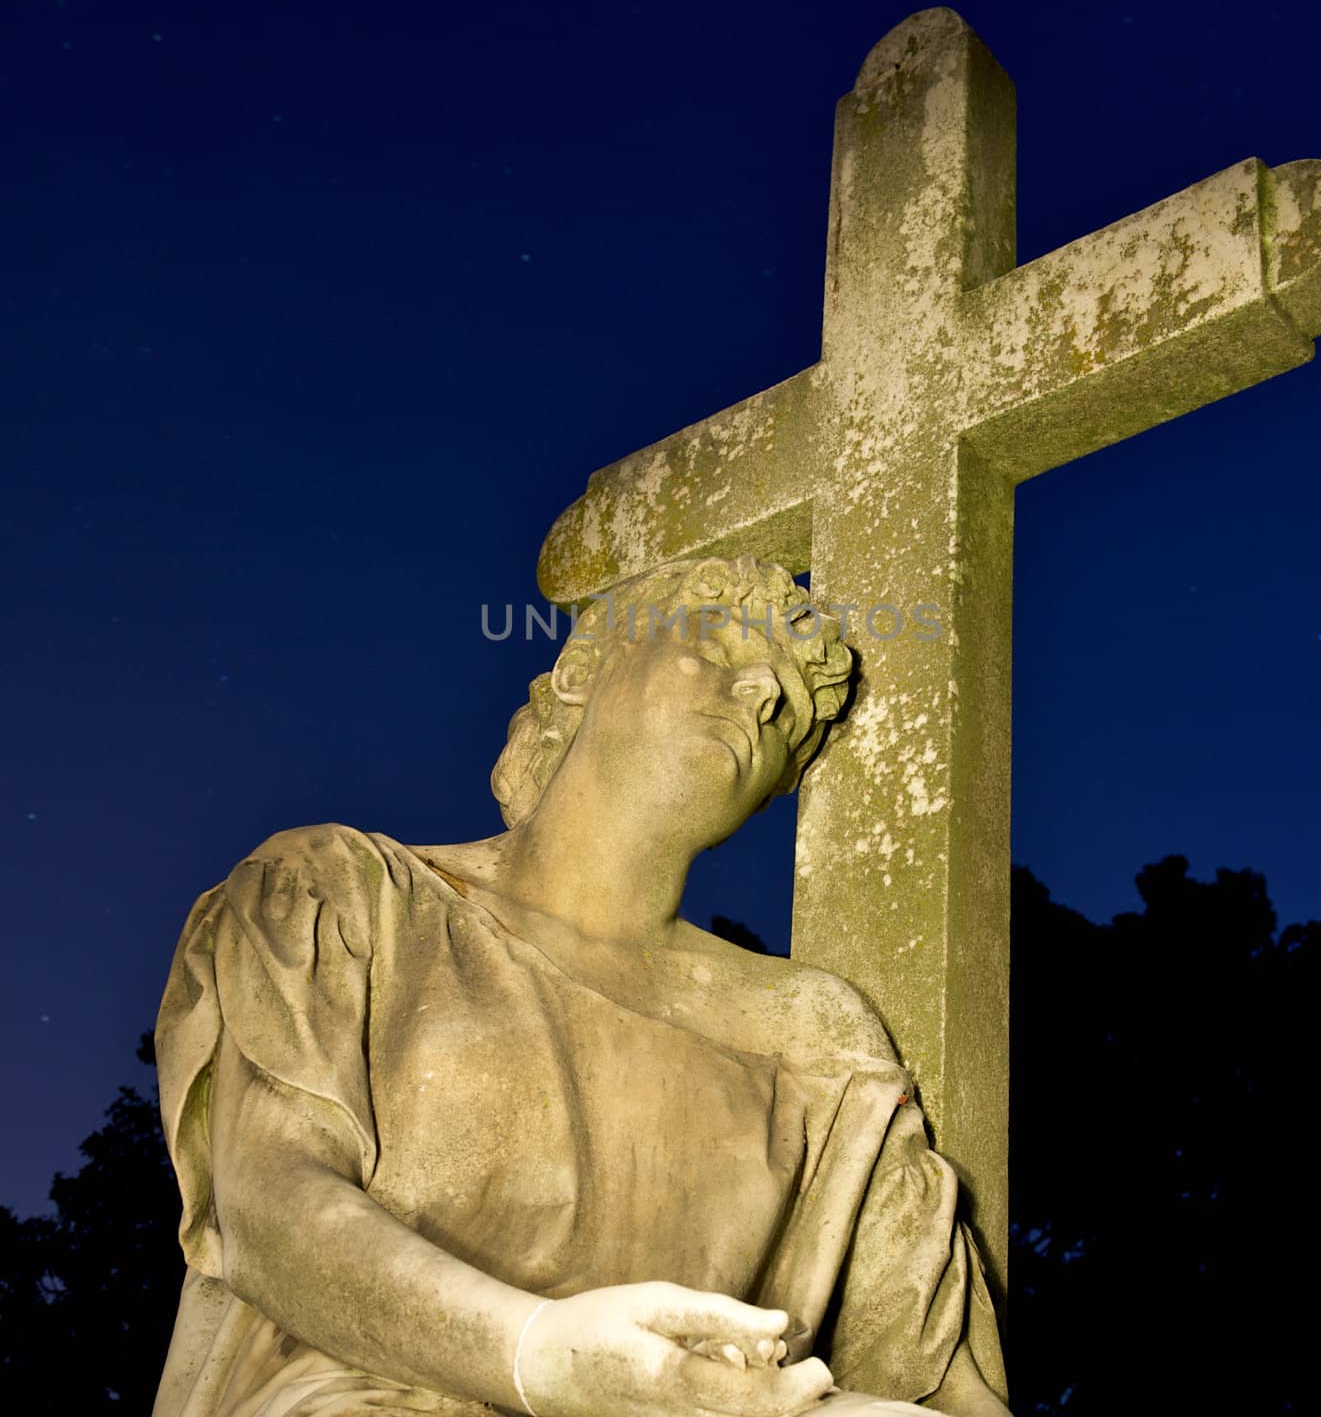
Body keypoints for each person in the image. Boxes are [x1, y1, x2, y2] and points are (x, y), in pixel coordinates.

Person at [153, 556, 1010, 1417]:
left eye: (787, 709)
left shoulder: (813, 1030)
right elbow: (268, 1205)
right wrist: (538, 1355)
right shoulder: (344, 890)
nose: (760, 693)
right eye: (717, 645)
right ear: (579, 672)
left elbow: (926, 1378)